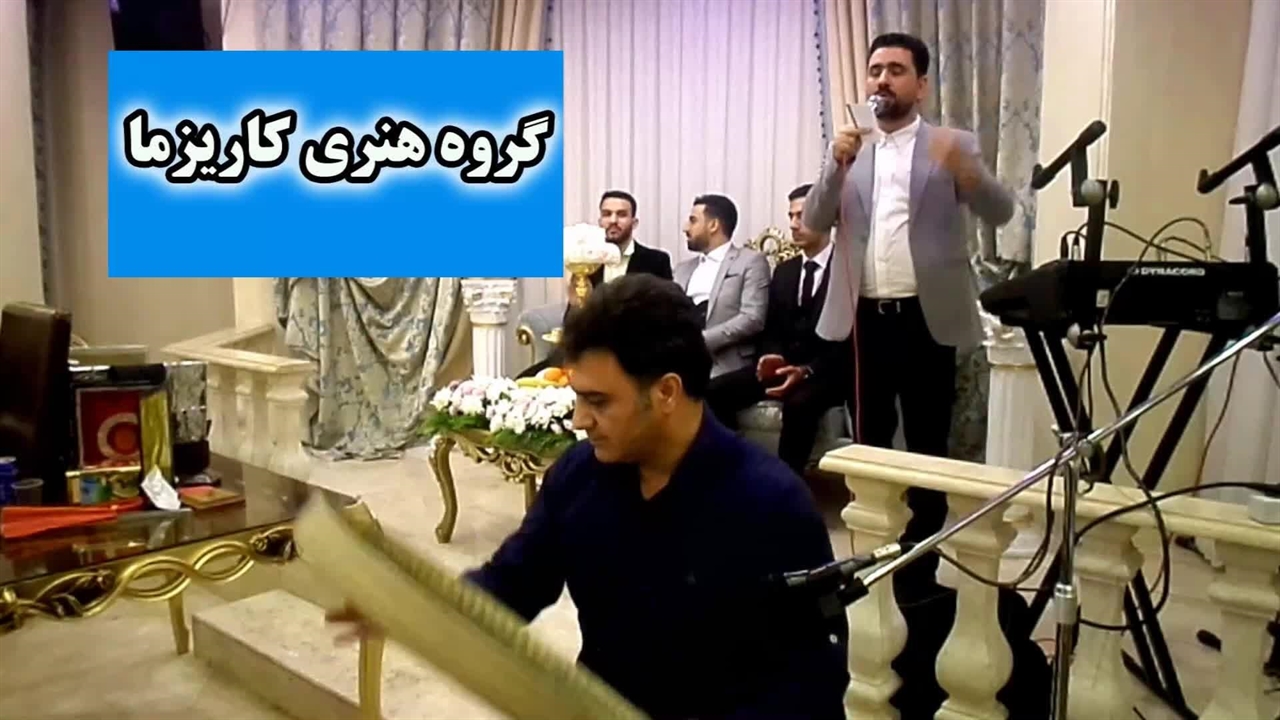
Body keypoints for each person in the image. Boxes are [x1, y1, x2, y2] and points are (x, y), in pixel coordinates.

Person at [331, 275, 849, 720]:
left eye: (598, 401)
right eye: (578, 397)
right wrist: (413, 607)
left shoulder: (771, 503)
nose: (579, 420)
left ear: (666, 392)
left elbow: (812, 686)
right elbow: (512, 585)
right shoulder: (579, 475)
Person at [801, 32, 1014, 596]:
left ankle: (919, 569)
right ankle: (871, 560)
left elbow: (1000, 210)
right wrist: (835, 164)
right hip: (863, 321)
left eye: (895, 70)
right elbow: (814, 223)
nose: (881, 79)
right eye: (875, 69)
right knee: (868, 448)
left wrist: (967, 173)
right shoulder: (850, 148)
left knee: (927, 449)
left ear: (920, 85)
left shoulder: (951, 143)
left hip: (927, 319)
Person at [703, 184, 852, 475]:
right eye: (791, 216)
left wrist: (806, 370)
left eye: (802, 216)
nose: (794, 224)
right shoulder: (786, 270)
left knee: (799, 404)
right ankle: (734, 471)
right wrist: (770, 356)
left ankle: (786, 484)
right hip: (783, 365)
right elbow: (770, 327)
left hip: (826, 371)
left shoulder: (847, 268)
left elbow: (849, 339)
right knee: (715, 391)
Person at [517, 190, 672, 379]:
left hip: (633, 354)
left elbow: (664, 317)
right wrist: (576, 305)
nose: (613, 220)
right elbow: (571, 322)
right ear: (600, 221)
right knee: (523, 381)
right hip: (586, 350)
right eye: (607, 214)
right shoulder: (586, 262)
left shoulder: (655, 261)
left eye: (621, 214)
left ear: (634, 222)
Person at [673, 194, 770, 429]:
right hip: (681, 361)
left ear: (713, 225)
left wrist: (701, 342)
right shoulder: (682, 270)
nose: (685, 227)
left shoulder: (751, 262)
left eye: (693, 220)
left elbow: (753, 318)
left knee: (709, 394)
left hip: (730, 364)